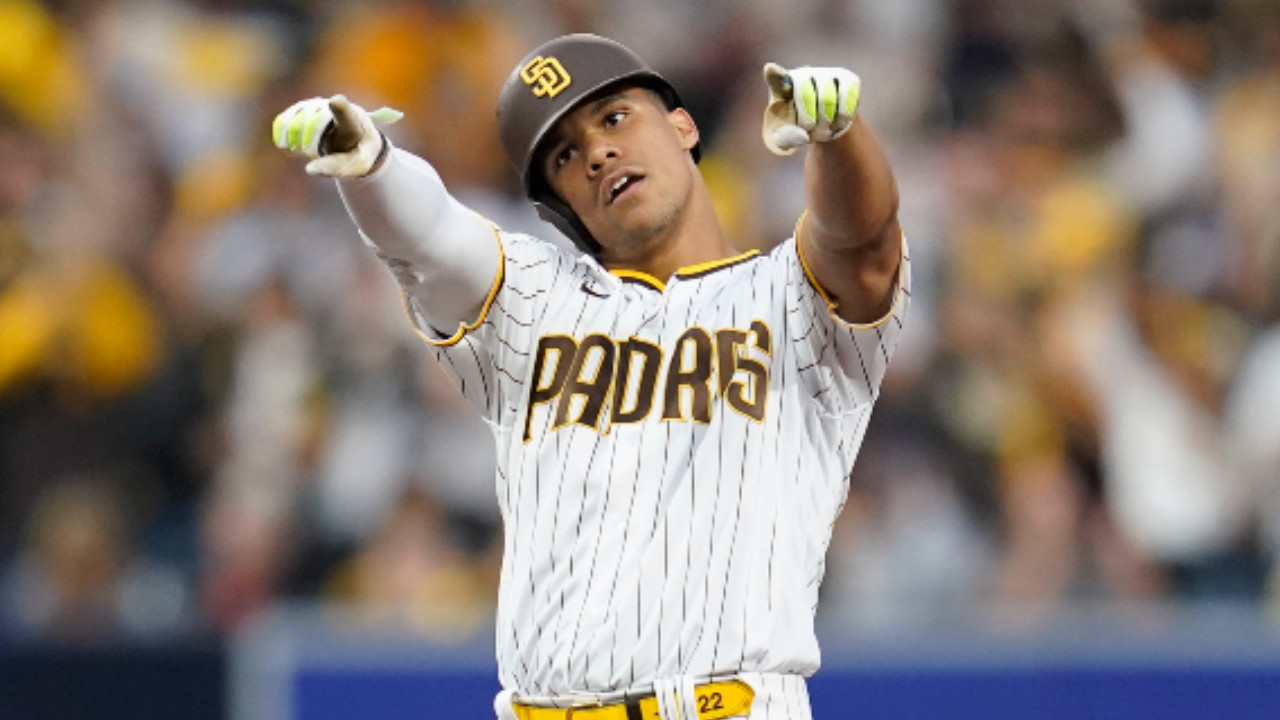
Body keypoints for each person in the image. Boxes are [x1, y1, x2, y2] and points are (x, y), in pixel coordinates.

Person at [273, 32, 908, 720]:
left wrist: (838, 138)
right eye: (566, 155)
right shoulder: (535, 304)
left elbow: (861, 237)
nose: (598, 153)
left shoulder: (789, 297)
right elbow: (429, 239)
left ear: (682, 122)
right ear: (564, 208)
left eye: (613, 119)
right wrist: (372, 168)